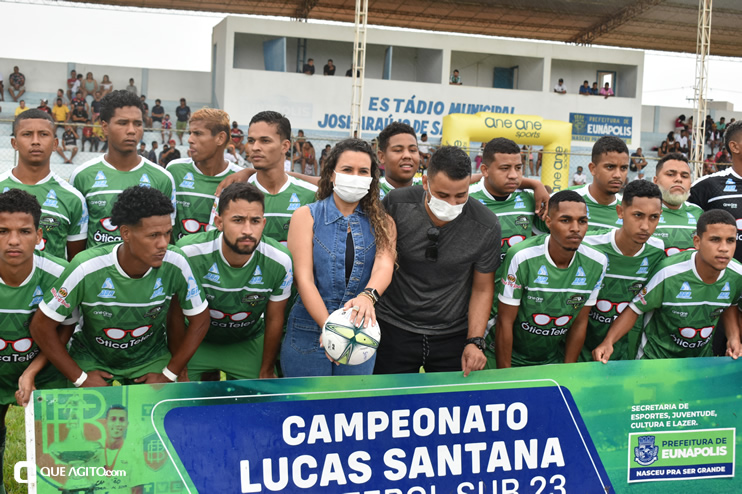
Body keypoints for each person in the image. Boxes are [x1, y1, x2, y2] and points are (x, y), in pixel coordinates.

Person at [30, 186, 210, 387]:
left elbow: (201, 319)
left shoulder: (176, 262)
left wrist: (169, 373)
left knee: (158, 406)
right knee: (92, 407)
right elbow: (41, 326)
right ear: (126, 233)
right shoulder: (86, 267)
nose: (163, 244)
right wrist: (80, 378)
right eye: (153, 235)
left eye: (167, 233)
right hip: (91, 357)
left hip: (150, 358)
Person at [374, 146, 500, 375]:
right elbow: (380, 260)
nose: (451, 203)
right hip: (393, 326)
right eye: (442, 195)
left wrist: (475, 341)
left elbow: (482, 288)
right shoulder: (396, 205)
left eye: (460, 196)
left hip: (452, 334)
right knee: (389, 395)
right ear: (425, 183)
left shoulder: (486, 225)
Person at [282, 139, 396, 376]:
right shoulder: (305, 216)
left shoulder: (384, 222)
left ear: (372, 178)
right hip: (308, 330)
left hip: (359, 332)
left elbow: (384, 265)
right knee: (306, 399)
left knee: (351, 400)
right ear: (332, 174)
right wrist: (331, 328)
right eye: (347, 169)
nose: (355, 176)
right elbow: (303, 279)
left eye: (363, 171)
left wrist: (367, 296)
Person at [177, 183, 293, 380]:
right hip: (194, 341)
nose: (247, 230)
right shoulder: (188, 252)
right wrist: (178, 366)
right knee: (169, 391)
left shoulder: (280, 260)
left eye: (255, 221)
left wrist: (266, 368)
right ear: (219, 222)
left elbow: (274, 318)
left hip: (247, 340)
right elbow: (174, 313)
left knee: (264, 394)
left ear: (263, 223)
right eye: (238, 220)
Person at [593, 210, 742, 362]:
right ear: (697, 241)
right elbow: (634, 309)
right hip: (656, 361)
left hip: (699, 362)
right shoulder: (668, 273)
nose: (724, 248)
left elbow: (731, 304)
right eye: (715, 240)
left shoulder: (737, 274)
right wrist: (608, 342)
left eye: (730, 240)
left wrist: (734, 337)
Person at [0, 189, 73, 493]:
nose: (13, 240)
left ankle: (55, 485)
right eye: (3, 231)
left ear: (39, 235)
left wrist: (31, 370)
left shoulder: (60, 273)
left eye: (24, 231)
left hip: (46, 366)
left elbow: (66, 327)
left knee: (55, 436)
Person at [494, 190, 608, 368]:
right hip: (506, 356)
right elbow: (505, 322)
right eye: (565, 220)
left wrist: (567, 371)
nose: (576, 228)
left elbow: (580, 322)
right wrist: (505, 375)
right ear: (548, 222)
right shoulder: (521, 256)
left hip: (551, 359)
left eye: (582, 221)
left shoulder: (597, 261)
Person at [70, 90, 176, 248]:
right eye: (123, 123)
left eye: (137, 124)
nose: (132, 130)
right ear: (105, 127)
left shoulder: (163, 178)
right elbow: (77, 241)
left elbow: (166, 238)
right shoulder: (82, 176)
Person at [467, 138, 538, 362]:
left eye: (518, 168)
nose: (514, 175)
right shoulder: (467, 198)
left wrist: (537, 187)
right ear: (485, 170)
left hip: (516, 303)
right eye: (505, 168)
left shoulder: (530, 201)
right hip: (473, 302)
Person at [580, 180, 665, 361]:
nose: (645, 226)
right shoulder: (587, 245)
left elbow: (637, 305)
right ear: (620, 212)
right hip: (580, 344)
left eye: (653, 217)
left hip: (625, 348)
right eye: (638, 215)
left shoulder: (657, 251)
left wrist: (609, 341)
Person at [215, 111, 318, 244]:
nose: (255, 147)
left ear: (285, 146)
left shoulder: (311, 195)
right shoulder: (231, 193)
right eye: (251, 141)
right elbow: (215, 244)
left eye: (265, 141)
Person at [167, 109, 243, 241]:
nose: (190, 140)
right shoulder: (175, 170)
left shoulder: (239, 178)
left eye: (197, 133)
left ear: (220, 138)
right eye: (190, 133)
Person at [570, 135, 629, 231]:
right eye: (610, 167)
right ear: (593, 169)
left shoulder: (628, 209)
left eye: (623, 168)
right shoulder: (563, 200)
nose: (618, 175)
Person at [652, 153, 703, 256]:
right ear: (655, 181)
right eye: (671, 174)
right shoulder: (643, 212)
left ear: (690, 183)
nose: (679, 179)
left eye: (684, 176)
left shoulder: (698, 213)